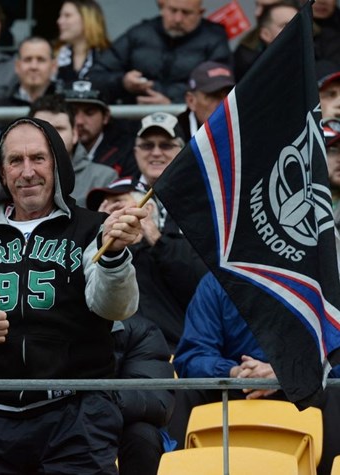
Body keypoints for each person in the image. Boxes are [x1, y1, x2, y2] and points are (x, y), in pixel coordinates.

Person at [0, 116, 145, 473]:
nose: (27, 172)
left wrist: (112, 256)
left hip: (76, 416)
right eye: (15, 160)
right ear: (2, 173)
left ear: (57, 165)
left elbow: (116, 308)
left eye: (38, 158)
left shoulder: (93, 229)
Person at [171, 273, 340, 475]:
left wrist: (287, 373)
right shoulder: (217, 281)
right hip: (233, 386)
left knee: (334, 391)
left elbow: (335, 360)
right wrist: (235, 372)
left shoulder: (323, 283)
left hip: (304, 388)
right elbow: (192, 356)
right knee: (182, 392)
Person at [86, 177, 205, 352]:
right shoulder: (89, 255)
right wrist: (102, 242)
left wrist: (157, 241)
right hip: (108, 351)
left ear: (147, 210)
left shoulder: (177, 246)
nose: (108, 210)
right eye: (103, 208)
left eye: (117, 203)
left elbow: (201, 287)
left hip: (172, 351)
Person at [89, 0, 231, 104]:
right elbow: (96, 76)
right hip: (133, 124)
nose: (178, 19)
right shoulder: (139, 34)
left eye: (186, 13)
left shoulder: (214, 38)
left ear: (200, 13)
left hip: (188, 124)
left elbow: (221, 88)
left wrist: (173, 102)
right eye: (173, 10)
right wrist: (123, 82)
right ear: (161, 6)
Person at [111, 315, 175, 475]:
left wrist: (99, 398)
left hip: (117, 423)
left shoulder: (142, 331)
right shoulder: (55, 329)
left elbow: (158, 402)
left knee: (142, 435)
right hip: (62, 422)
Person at [29, 94, 117, 207]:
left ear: (75, 134)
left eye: (59, 129)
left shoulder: (103, 178)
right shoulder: (15, 175)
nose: (50, 136)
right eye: (42, 129)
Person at [64, 80, 138, 177]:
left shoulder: (126, 151)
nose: (79, 121)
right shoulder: (51, 147)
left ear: (106, 117)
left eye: (89, 112)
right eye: (72, 112)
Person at [233, 0, 298, 80]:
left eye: (298, 23)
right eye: (285, 25)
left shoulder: (311, 50)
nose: (257, 13)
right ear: (265, 34)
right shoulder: (247, 60)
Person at [54, 0, 111, 87]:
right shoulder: (56, 56)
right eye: (60, 16)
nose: (59, 21)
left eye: (67, 15)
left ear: (87, 19)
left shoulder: (108, 57)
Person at [0, 37, 60, 107]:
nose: (34, 66)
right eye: (28, 60)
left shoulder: (63, 103)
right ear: (17, 66)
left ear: (53, 66)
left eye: (41, 60)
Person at [177, 61, 235, 141]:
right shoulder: (175, 133)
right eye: (214, 96)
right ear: (191, 101)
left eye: (229, 95)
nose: (224, 103)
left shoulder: (247, 126)